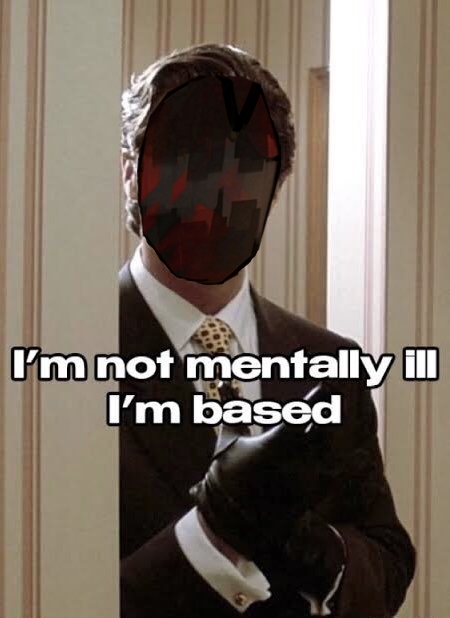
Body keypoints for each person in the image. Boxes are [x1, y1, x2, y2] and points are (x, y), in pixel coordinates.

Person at [119, 43, 416, 618]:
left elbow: (388, 565)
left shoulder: (332, 361)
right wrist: (212, 535)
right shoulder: (66, 355)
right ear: (131, 173)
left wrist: (316, 550)